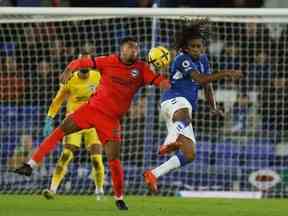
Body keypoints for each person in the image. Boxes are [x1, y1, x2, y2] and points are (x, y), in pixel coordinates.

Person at [14, 36, 170, 210]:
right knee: (60, 131)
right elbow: (82, 62)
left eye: (136, 48)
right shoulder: (108, 61)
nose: (133, 50)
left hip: (111, 121)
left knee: (113, 159)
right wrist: (68, 68)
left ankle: (119, 197)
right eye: (130, 47)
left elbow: (159, 82)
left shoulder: (141, 69)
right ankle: (30, 165)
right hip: (91, 110)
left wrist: (169, 83)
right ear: (121, 49)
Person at [143, 19, 242, 193]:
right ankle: (169, 141)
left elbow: (207, 85)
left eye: (200, 46)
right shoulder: (182, 59)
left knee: (189, 154)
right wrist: (226, 73)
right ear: (186, 48)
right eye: (193, 47)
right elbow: (200, 79)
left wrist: (213, 106)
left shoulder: (203, 59)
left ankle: (153, 174)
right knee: (185, 114)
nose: (197, 49)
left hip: (182, 109)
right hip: (172, 100)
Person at [41, 67, 105, 200]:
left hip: (93, 122)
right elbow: (58, 99)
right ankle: (52, 189)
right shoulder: (70, 79)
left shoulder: (97, 76)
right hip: (74, 121)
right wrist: (49, 118)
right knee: (65, 155)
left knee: (97, 159)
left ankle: (99, 191)